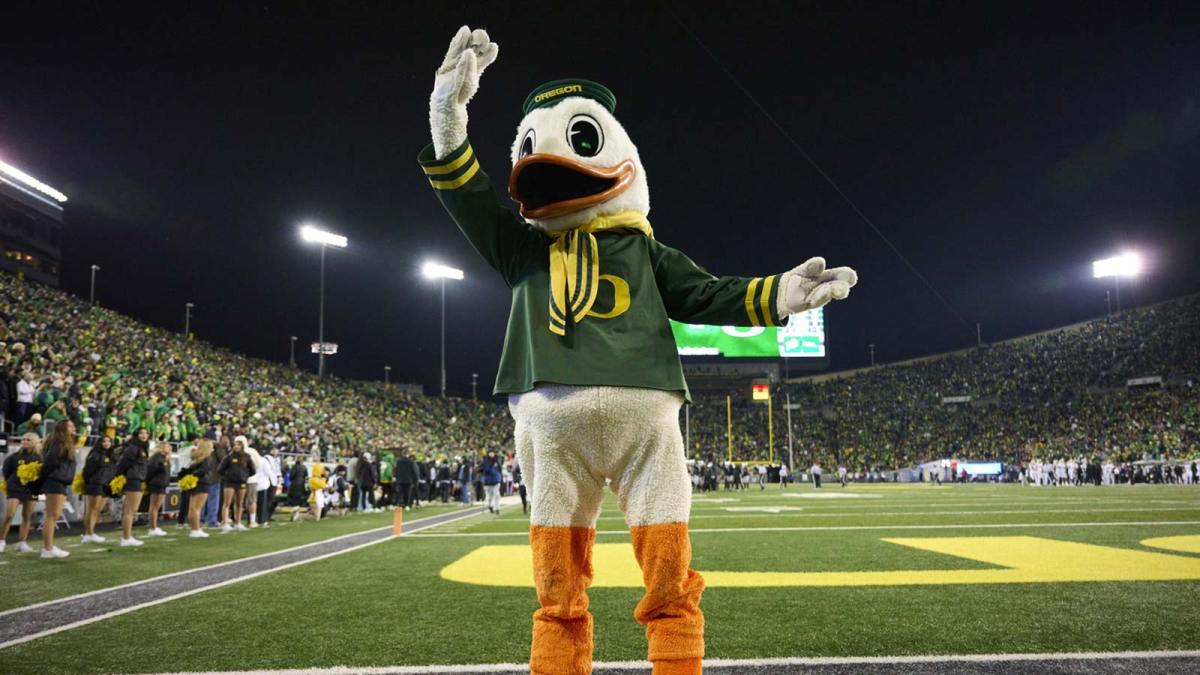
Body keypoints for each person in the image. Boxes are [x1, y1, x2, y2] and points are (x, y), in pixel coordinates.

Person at [38, 420, 77, 558]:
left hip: (59, 482)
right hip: (54, 481)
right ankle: (47, 549)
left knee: (53, 515)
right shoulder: (58, 442)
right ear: (62, 428)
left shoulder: (64, 443)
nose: (73, 428)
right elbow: (50, 462)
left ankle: (49, 547)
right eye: (70, 426)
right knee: (51, 516)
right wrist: (48, 477)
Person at [1, 432, 43, 553]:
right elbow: (6, 471)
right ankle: (1, 541)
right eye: (23, 439)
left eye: (28, 440)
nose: (24, 441)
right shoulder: (14, 456)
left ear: (34, 442)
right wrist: (12, 482)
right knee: (9, 515)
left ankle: (22, 543)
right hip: (15, 488)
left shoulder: (39, 458)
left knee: (27, 516)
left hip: (31, 489)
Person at [114, 427, 151, 547]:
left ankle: (127, 536)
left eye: (146, 433)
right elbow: (122, 464)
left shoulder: (141, 448)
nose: (144, 435)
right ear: (136, 435)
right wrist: (120, 477)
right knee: (129, 511)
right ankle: (126, 538)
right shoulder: (133, 448)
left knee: (131, 511)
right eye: (141, 433)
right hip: (133, 480)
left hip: (137, 479)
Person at [81, 435, 117, 543]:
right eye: (104, 441)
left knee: (97, 510)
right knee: (92, 510)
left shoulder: (112, 455)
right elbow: (87, 472)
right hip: (96, 485)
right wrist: (91, 482)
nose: (106, 443)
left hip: (106, 486)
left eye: (109, 441)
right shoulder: (95, 455)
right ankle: (88, 533)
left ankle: (91, 532)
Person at [217, 435, 255, 532]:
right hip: (229, 483)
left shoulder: (247, 457)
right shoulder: (228, 457)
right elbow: (220, 469)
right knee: (227, 503)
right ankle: (225, 523)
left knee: (239, 503)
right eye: (235, 445)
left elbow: (253, 470)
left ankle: (238, 523)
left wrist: (245, 476)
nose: (236, 446)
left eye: (238, 445)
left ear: (242, 446)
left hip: (241, 483)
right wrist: (227, 476)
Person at [181, 439, 215, 538]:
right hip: (203, 484)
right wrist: (194, 474)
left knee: (192, 508)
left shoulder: (196, 458)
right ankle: (196, 530)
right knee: (196, 508)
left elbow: (191, 469)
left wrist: (191, 474)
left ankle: (194, 529)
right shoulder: (207, 458)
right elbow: (204, 470)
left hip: (194, 484)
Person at [144, 441, 172, 537]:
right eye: (166, 446)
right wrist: (149, 482)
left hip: (161, 484)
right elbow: (150, 470)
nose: (168, 448)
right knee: (154, 507)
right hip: (157, 484)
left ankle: (153, 526)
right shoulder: (157, 457)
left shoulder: (165, 458)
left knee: (156, 507)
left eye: (169, 446)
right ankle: (153, 527)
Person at [480, 450, 502, 514]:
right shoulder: (485, 461)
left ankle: (497, 509)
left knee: (497, 495)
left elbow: (500, 470)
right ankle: (489, 506)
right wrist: (482, 471)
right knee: (489, 497)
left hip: (496, 480)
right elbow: (481, 469)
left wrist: (501, 478)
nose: (492, 454)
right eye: (490, 452)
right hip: (487, 481)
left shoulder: (497, 460)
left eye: (493, 452)